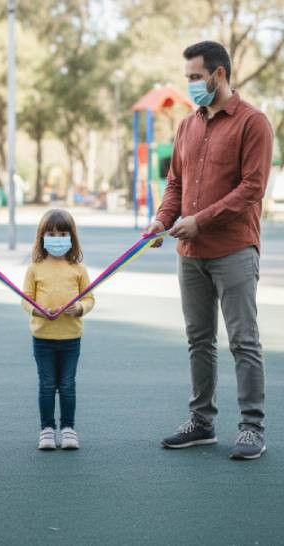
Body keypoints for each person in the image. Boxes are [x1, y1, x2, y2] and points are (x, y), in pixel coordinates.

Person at [145, 41, 273, 460]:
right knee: (198, 340)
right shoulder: (187, 126)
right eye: (187, 78)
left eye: (196, 77)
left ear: (220, 74)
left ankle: (252, 428)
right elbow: (175, 185)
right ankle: (201, 422)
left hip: (234, 249)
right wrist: (162, 220)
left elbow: (252, 188)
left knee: (243, 340)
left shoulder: (254, 123)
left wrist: (200, 220)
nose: (191, 85)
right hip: (190, 254)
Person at [22, 209, 94, 450]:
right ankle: (47, 430)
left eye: (63, 234)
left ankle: (68, 428)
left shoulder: (78, 269)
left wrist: (80, 308)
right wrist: (37, 310)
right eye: (51, 234)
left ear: (71, 236)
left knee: (67, 384)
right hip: (43, 337)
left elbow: (90, 298)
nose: (57, 238)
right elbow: (26, 299)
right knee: (47, 384)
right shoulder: (35, 268)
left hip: (71, 337)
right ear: (42, 236)